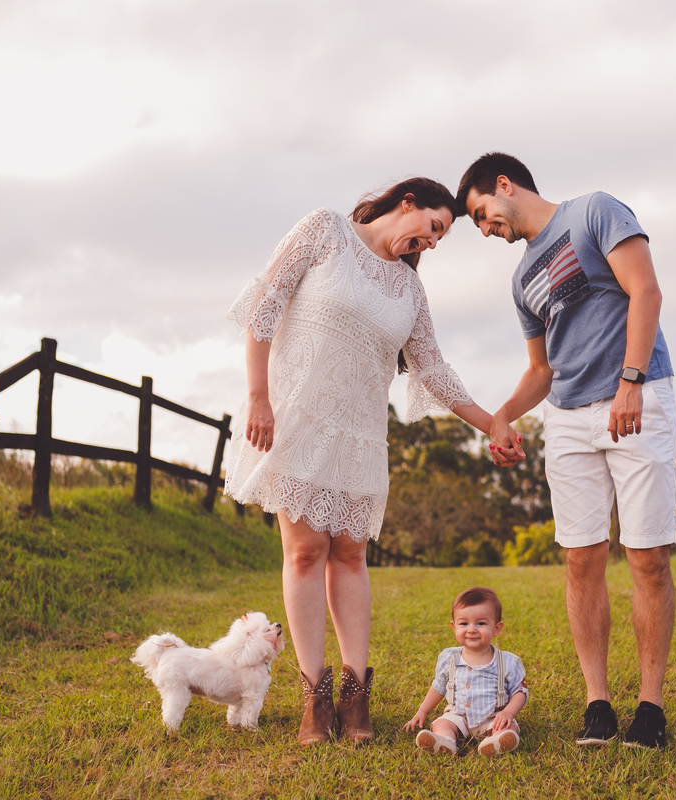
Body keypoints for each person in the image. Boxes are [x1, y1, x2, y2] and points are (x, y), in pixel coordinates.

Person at [223, 178, 493, 746]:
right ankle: (315, 699)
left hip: (362, 437)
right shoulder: (324, 230)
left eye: (440, 239)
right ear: (408, 203)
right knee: (304, 552)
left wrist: (493, 423)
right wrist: (257, 395)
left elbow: (434, 369)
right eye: (435, 228)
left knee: (349, 554)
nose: (433, 244)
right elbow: (265, 305)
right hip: (296, 417)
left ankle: (355, 694)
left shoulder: (410, 292)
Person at [456, 153, 676, 750]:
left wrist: (630, 380)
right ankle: (598, 704)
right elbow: (541, 369)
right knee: (582, 559)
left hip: (637, 397)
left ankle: (650, 709)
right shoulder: (519, 278)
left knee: (647, 557)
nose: (484, 229)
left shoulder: (594, 212)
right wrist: (502, 416)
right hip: (569, 420)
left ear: (504, 185)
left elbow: (646, 291)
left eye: (481, 214)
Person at [403, 586, 528, 756]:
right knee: (441, 724)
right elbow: (438, 687)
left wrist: (508, 712)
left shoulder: (507, 662)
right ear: (454, 627)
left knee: (509, 726)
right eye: (464, 623)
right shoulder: (450, 658)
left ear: (497, 628)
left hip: (493, 717)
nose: (471, 629)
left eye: (481, 623)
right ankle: (445, 742)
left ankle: (496, 741)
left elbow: (520, 692)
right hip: (458, 716)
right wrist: (422, 711)